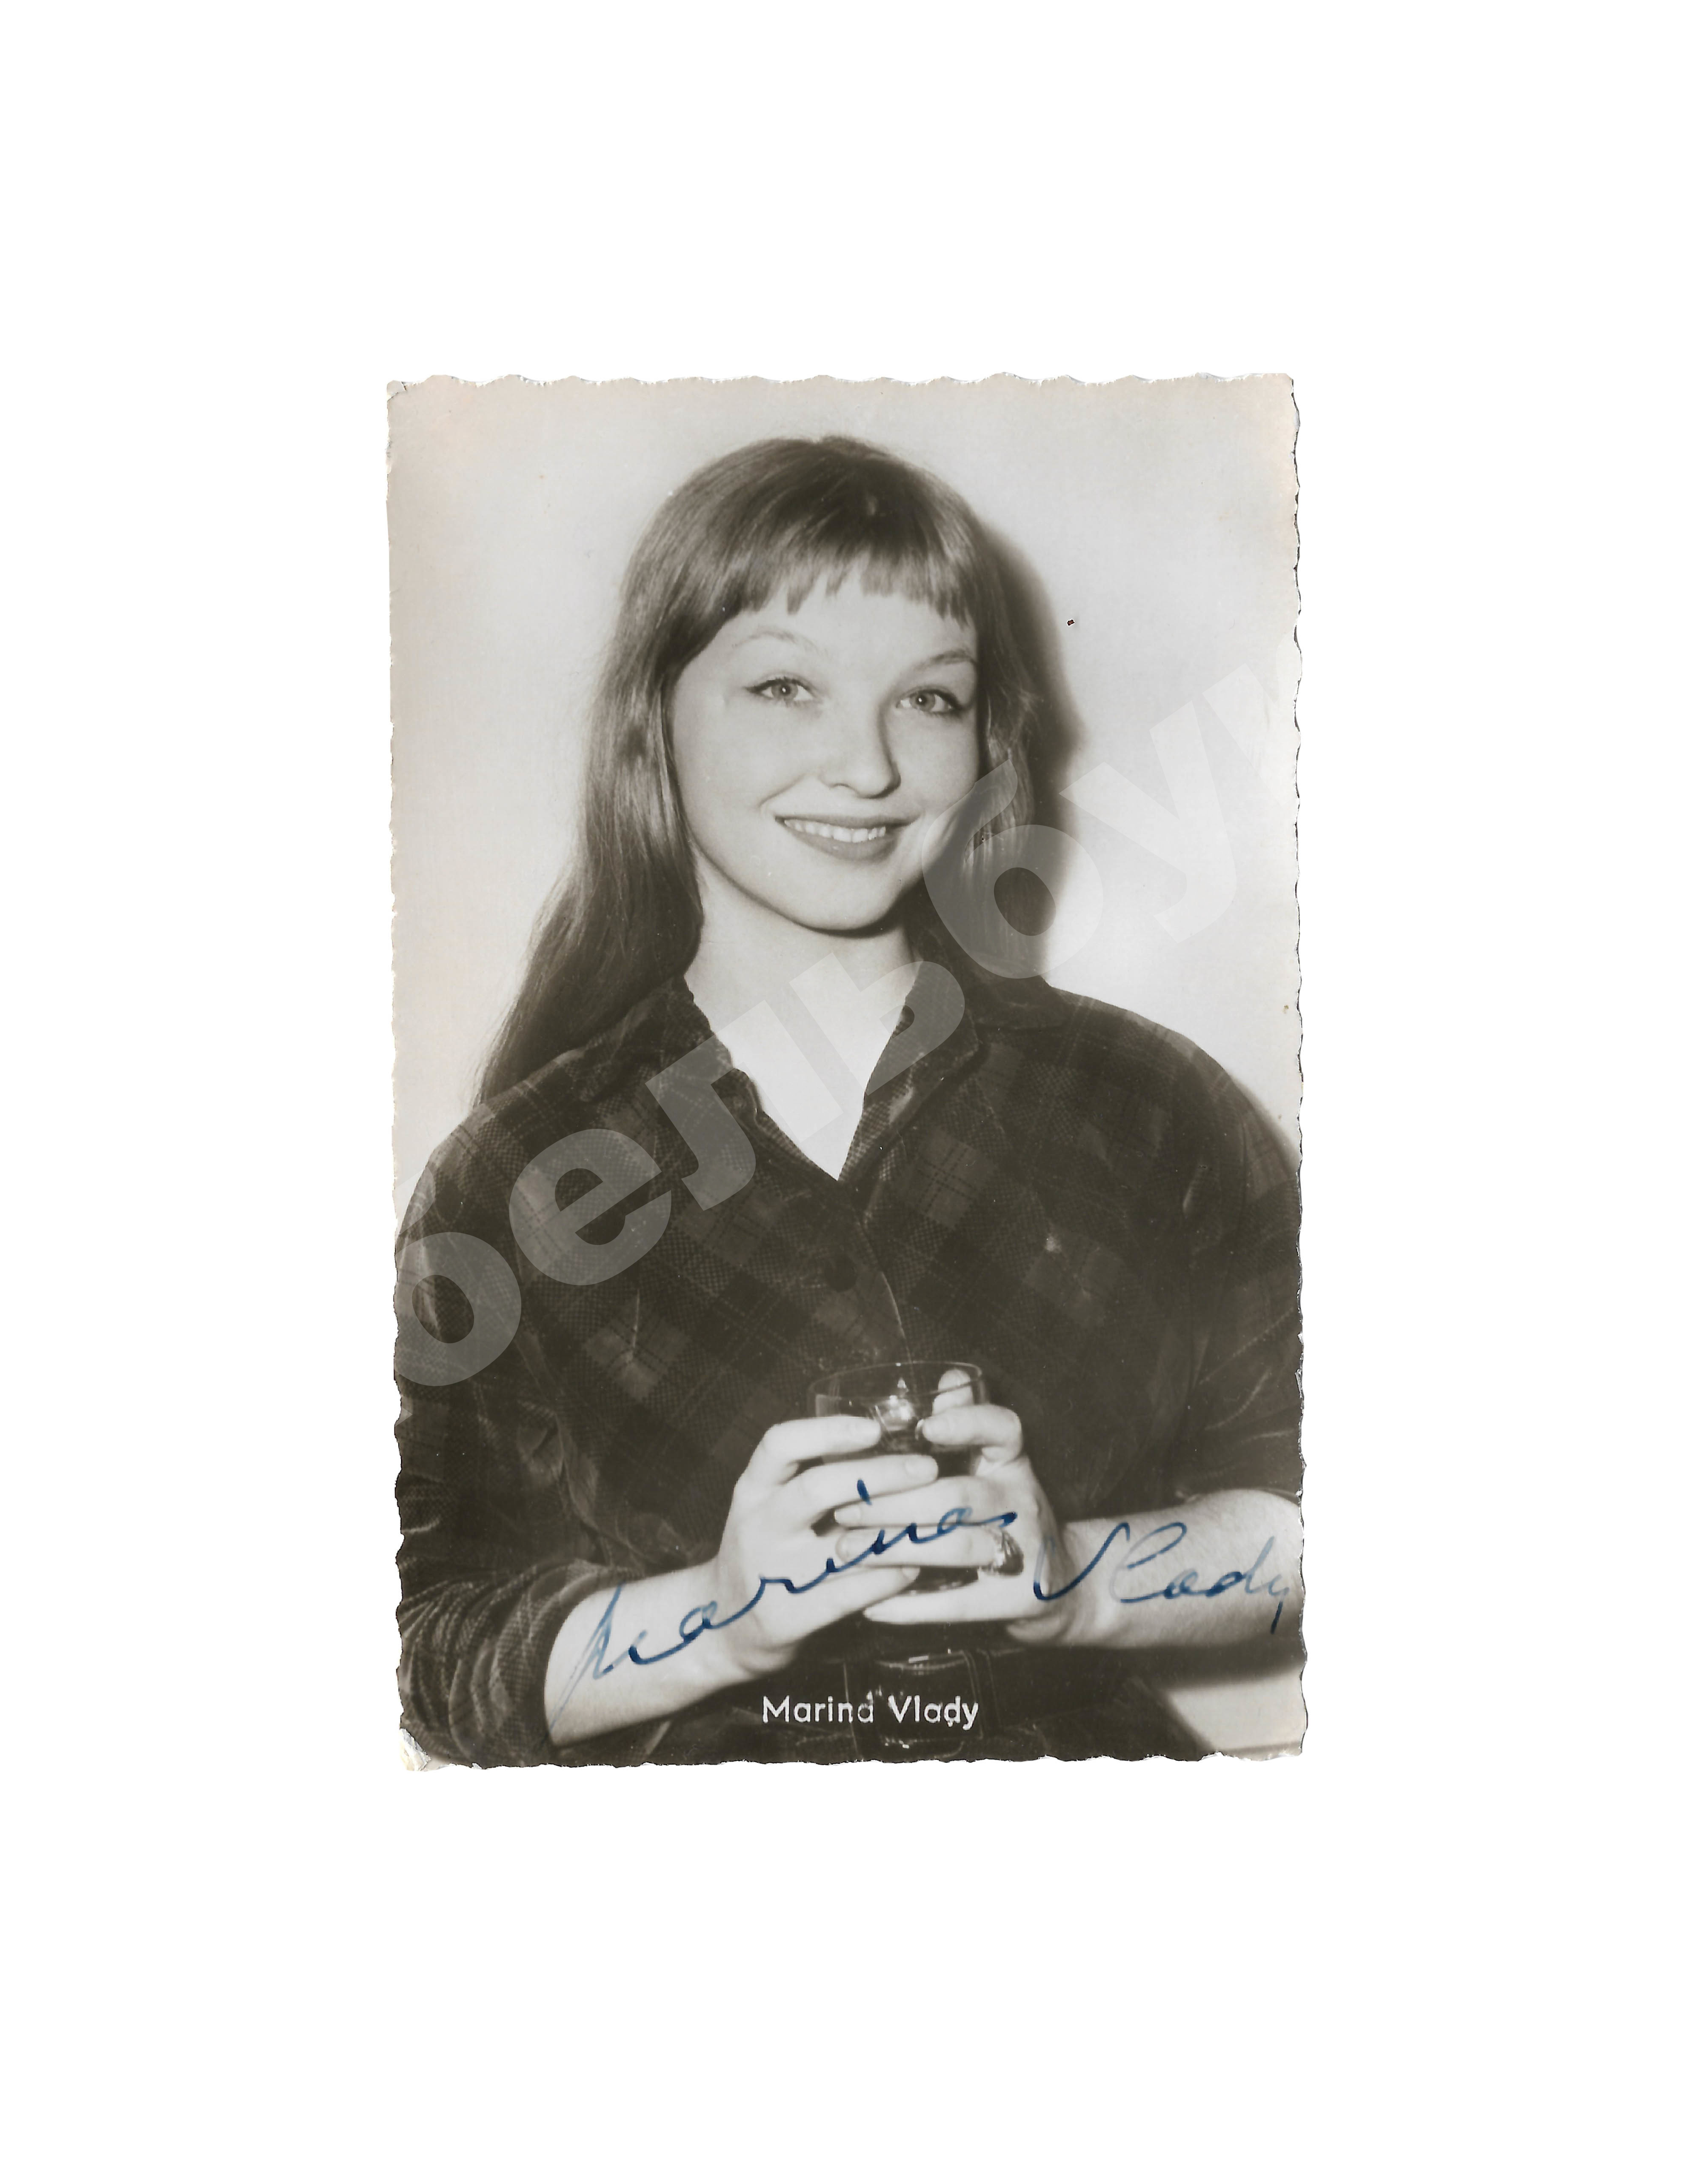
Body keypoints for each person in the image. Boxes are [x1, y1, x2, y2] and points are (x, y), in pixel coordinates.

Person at [394, 434, 1302, 1766]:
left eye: (928, 698)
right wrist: (719, 1617)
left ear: (988, 737)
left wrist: (1078, 1578)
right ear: (654, 716)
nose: (869, 766)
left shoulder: (1158, 1112)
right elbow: (431, 1645)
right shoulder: (512, 1179)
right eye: (786, 686)